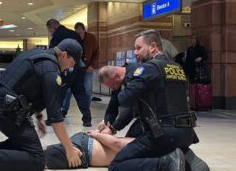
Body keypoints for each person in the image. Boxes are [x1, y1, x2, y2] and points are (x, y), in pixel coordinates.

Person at [0, 39, 85, 171]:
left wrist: (39, 117)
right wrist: (69, 150)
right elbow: (56, 117)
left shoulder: (38, 55)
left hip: (1, 107)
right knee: (37, 159)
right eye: (72, 62)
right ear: (63, 55)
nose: (71, 67)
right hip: (8, 113)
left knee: (26, 146)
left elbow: (28, 86)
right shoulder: (51, 69)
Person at [108, 30, 198, 171]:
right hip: (187, 133)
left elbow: (124, 100)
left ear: (153, 46)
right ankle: (185, 158)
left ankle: (166, 163)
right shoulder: (177, 67)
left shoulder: (149, 68)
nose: (135, 53)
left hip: (165, 134)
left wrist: (120, 85)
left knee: (116, 165)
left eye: (138, 48)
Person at [0, 131, 186, 171]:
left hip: (84, 150)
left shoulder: (151, 150)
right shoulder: (146, 142)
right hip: (83, 149)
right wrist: (97, 134)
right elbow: (119, 144)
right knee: (35, 162)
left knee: (37, 156)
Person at [47, 19, 92, 127]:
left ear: (52, 27)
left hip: (66, 67)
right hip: (79, 66)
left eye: (49, 30)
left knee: (60, 91)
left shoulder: (56, 36)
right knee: (80, 92)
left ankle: (53, 118)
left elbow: (53, 53)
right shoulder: (74, 34)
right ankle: (87, 119)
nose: (50, 32)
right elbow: (82, 50)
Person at [61, 22, 100, 117]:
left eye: (80, 33)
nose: (79, 35)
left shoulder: (91, 38)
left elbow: (96, 52)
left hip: (88, 68)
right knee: (68, 89)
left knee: (87, 89)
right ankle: (64, 109)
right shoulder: (73, 38)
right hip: (74, 68)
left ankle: (86, 111)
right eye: (77, 33)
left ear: (84, 30)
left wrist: (92, 65)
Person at [98, 64, 144, 138]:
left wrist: (113, 128)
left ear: (117, 76)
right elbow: (113, 105)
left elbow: (132, 109)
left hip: (158, 115)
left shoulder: (136, 77)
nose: (113, 89)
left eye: (113, 86)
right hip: (144, 114)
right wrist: (107, 122)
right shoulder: (117, 81)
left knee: (132, 140)